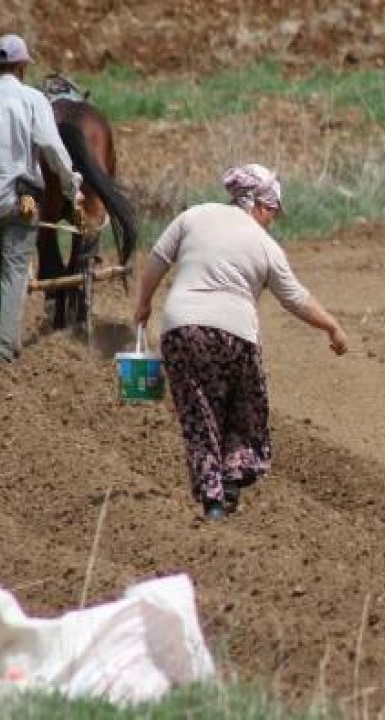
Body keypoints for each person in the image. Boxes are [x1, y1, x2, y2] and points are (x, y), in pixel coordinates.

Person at [133, 164, 348, 521]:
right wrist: (332, 327)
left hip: (181, 330)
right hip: (236, 336)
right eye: (274, 213)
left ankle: (213, 502)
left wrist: (143, 304)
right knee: (247, 410)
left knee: (198, 415)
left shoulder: (194, 216)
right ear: (263, 206)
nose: (273, 221)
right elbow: (295, 298)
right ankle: (233, 479)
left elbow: (157, 262)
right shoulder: (265, 246)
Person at [0, 34, 82, 363]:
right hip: (20, 200)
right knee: (14, 271)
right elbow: (52, 147)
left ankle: (5, 335)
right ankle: (4, 346)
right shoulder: (32, 100)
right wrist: (72, 185)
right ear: (23, 65)